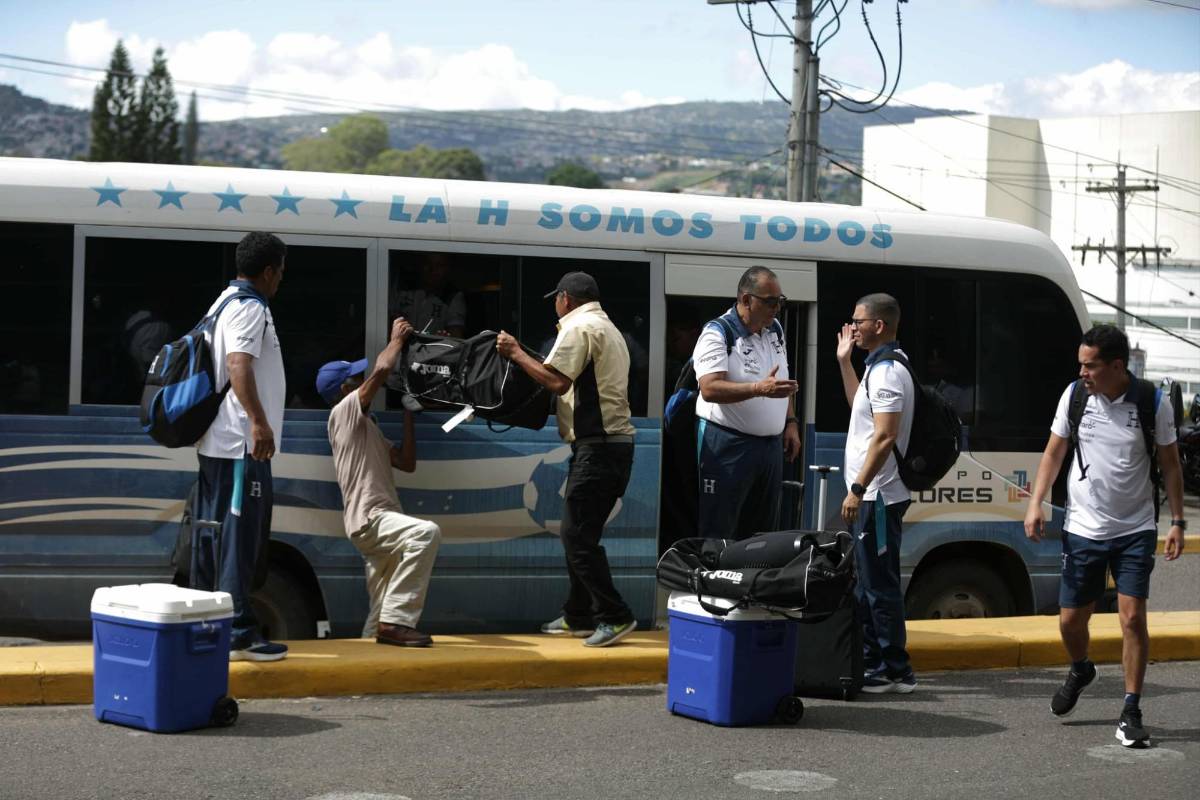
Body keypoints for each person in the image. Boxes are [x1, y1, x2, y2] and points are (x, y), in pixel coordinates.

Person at [1023, 324, 1186, 749]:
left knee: (1132, 619)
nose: (1083, 373)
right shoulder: (1075, 397)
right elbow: (1055, 450)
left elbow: (1170, 464)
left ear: (1117, 366)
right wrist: (1036, 501)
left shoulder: (1152, 402)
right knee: (1070, 622)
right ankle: (1081, 668)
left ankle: (1131, 709)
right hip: (1082, 528)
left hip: (1134, 529)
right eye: (1080, 364)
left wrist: (1178, 521)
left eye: (1090, 366)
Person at [495, 271, 638, 647]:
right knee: (579, 533)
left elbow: (557, 381)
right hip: (608, 446)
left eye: (555, 300)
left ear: (565, 299)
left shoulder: (579, 328)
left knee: (576, 535)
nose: (555, 306)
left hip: (599, 445)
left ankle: (615, 615)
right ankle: (578, 615)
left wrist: (515, 353)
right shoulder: (608, 328)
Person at [316, 318, 442, 647]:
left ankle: (377, 641)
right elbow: (382, 370)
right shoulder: (343, 413)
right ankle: (398, 622)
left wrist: (408, 414)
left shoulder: (366, 427)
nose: (363, 380)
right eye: (356, 378)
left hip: (375, 521)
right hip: (372, 519)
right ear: (344, 390)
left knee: (378, 611)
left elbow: (406, 463)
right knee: (425, 534)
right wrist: (396, 340)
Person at [192, 231, 288, 662]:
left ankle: (217, 623)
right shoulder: (250, 308)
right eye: (280, 272)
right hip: (239, 446)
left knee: (220, 536)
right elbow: (238, 365)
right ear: (269, 271)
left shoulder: (223, 301)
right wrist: (259, 423)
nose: (280, 280)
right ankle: (238, 632)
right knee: (239, 538)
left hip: (224, 443)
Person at [836, 292, 918, 693]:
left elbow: (884, 436)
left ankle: (894, 669)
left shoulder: (888, 372)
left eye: (859, 321)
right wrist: (844, 362)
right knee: (868, 581)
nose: (853, 327)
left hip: (878, 496)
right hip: (872, 496)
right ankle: (876, 663)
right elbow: (860, 408)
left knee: (879, 584)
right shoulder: (876, 368)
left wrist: (857, 488)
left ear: (879, 326)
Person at [693, 266, 800, 539]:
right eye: (770, 301)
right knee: (720, 530)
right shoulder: (717, 333)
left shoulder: (774, 328)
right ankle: (717, 582)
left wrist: (790, 422)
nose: (777, 308)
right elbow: (709, 388)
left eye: (780, 300)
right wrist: (758, 388)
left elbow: (782, 380)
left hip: (769, 447)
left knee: (762, 535)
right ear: (745, 300)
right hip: (728, 444)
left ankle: (753, 582)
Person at [390, 252, 466, 337]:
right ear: (420, 265)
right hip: (399, 346)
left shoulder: (453, 297)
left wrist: (445, 338)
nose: (433, 269)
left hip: (432, 349)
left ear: (448, 269)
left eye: (440, 265)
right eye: (427, 263)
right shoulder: (402, 289)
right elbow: (386, 320)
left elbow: (456, 334)